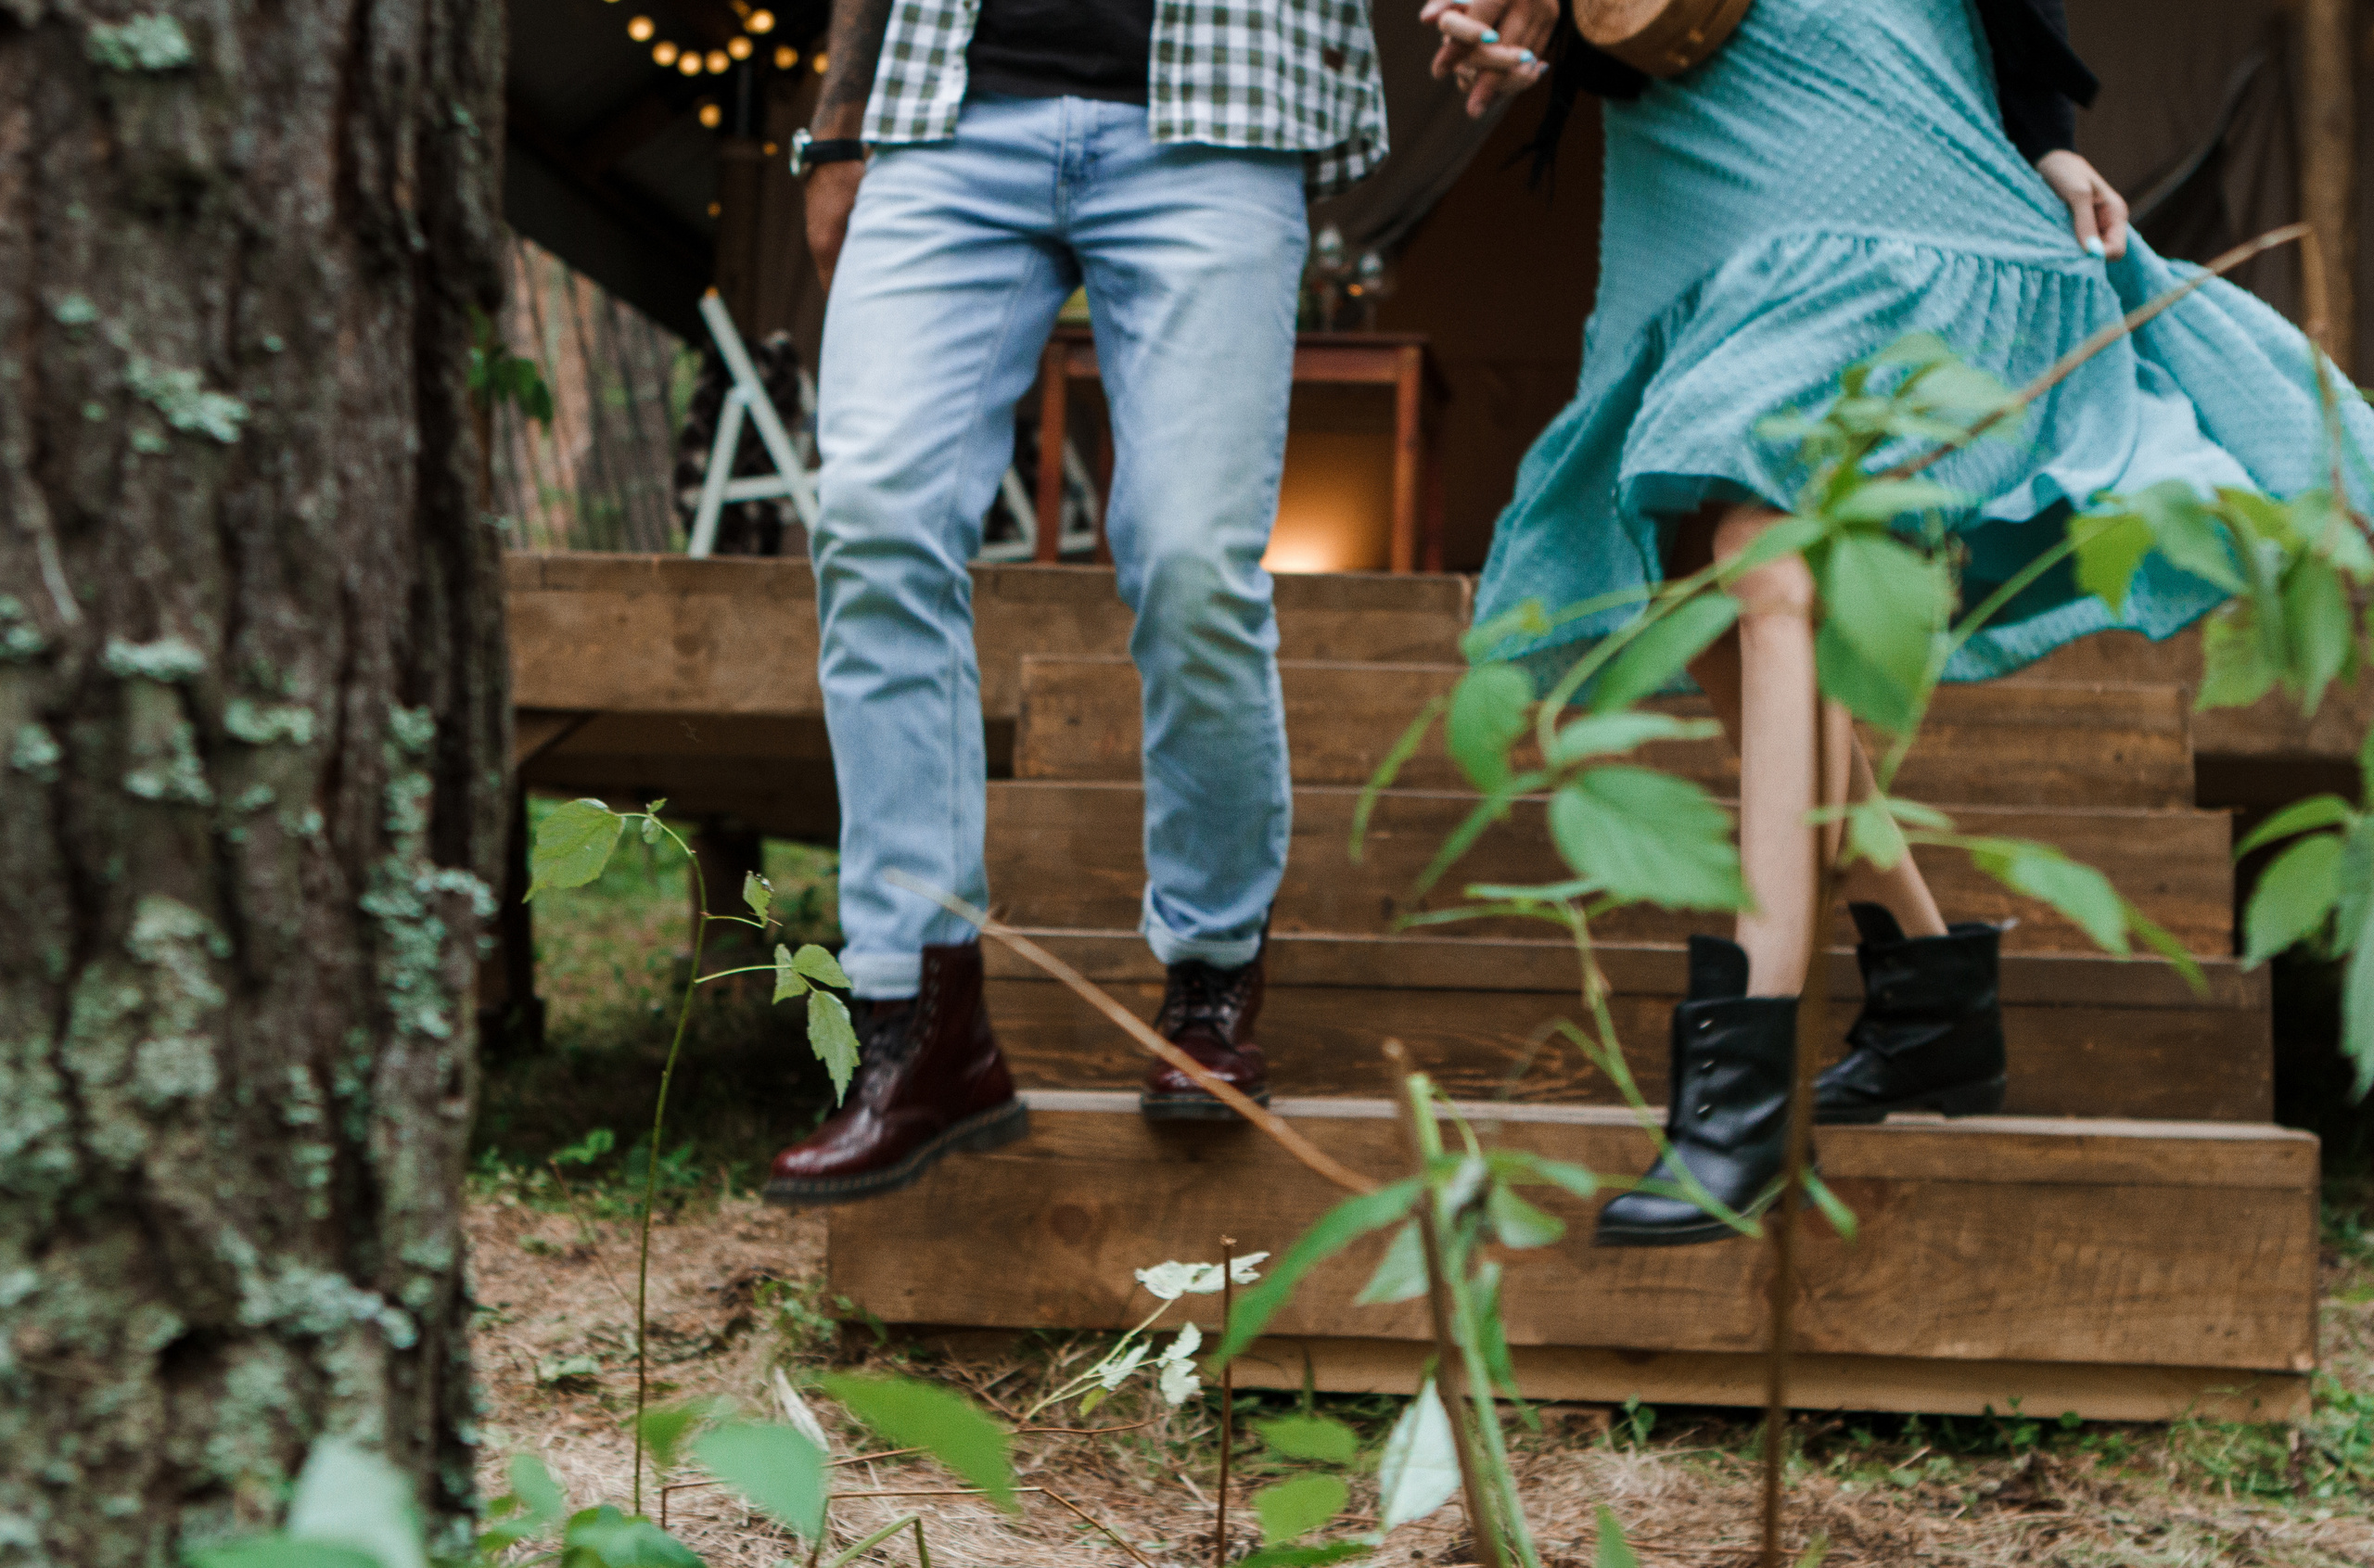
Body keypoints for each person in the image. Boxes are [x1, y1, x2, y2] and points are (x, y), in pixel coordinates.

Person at [1429, 0, 2372, 1245]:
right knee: (1689, 580)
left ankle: (1748, 1075)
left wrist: (2039, 131)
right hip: (1689, 139)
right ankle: (1932, 1010)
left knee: (1768, 541)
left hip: (1866, 83)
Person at [764, 0, 1389, 1205]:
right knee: (874, 517)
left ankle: (1211, 977)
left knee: (1192, 560)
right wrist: (840, 126)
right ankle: (920, 1019)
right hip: (946, 109)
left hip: (1216, 107)